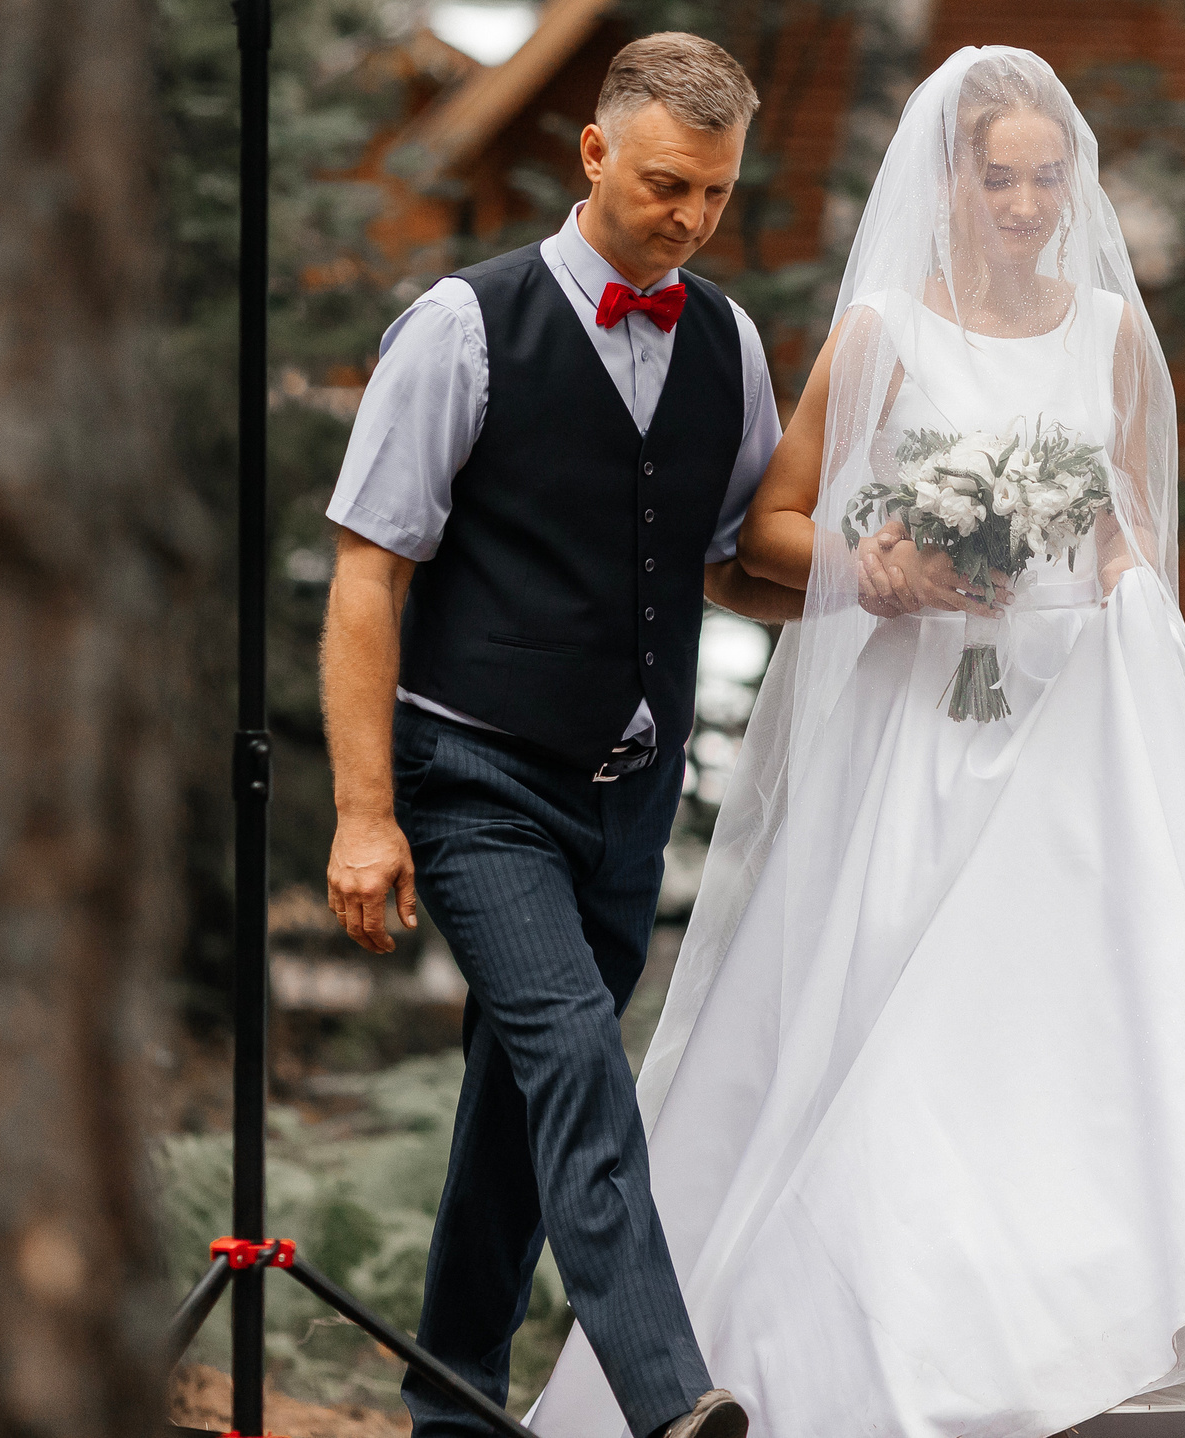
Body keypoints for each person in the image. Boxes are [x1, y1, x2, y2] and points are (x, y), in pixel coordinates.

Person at [528, 47, 1185, 1438]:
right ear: (955, 180)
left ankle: (1074, 1343)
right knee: (891, 1033)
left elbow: (1119, 529)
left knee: (1058, 1038)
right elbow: (775, 528)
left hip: (1062, 735)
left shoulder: (1107, 331)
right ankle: (863, 1358)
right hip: (919, 734)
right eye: (1002, 177)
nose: (1029, 203)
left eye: (1051, 178)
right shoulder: (885, 331)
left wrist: (1125, 598)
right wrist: (883, 564)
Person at [316, 32, 802, 1438]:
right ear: (593, 154)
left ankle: (449, 1410)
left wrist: (884, 575)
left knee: (513, 1117)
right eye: (665, 185)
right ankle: (670, 1397)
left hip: (627, 799)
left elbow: (724, 560)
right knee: (578, 1053)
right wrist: (364, 810)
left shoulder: (726, 341)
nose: (691, 219)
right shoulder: (465, 326)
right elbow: (367, 576)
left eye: (714, 195)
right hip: (475, 779)